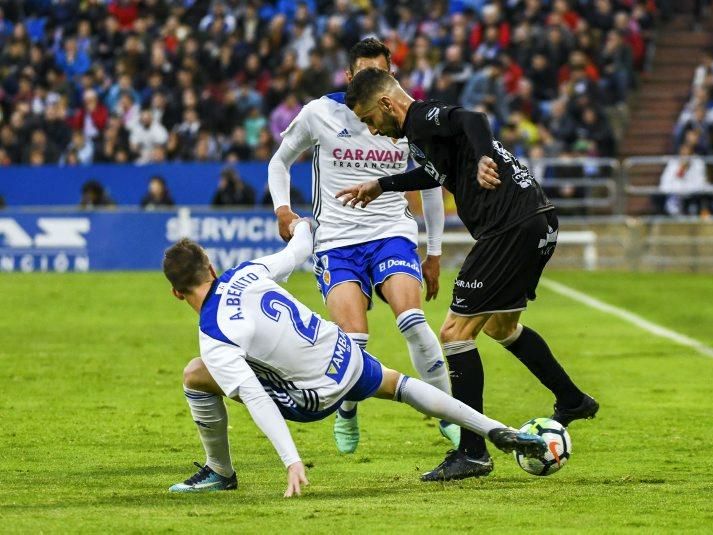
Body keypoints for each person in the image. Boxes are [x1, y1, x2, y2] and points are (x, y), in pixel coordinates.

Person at [337, 68, 599, 482]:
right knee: (501, 325)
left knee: (455, 334)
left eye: (370, 118)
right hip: (537, 221)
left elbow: (473, 119)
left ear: (387, 104)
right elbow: (437, 175)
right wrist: (383, 184)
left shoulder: (421, 117)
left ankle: (472, 452)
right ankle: (571, 400)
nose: (372, 128)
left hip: (509, 228)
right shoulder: (422, 138)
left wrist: (483, 157)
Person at [162, 219, 547, 496]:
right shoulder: (248, 271)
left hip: (314, 396)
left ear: (177, 294)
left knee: (196, 373)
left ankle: (219, 472)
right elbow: (297, 250)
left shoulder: (214, 334)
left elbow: (258, 399)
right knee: (401, 385)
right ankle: (494, 428)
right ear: (211, 268)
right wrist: (299, 225)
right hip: (345, 352)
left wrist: (291, 461)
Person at [267, 38, 453, 454]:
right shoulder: (319, 113)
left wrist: (435, 252)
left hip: (391, 233)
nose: (373, 81)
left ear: (392, 76)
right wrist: (283, 209)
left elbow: (432, 182)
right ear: (349, 77)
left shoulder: (409, 119)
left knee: (413, 321)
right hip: (336, 241)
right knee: (355, 340)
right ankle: (348, 410)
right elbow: (280, 161)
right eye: (365, 73)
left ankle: (450, 415)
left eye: (380, 74)